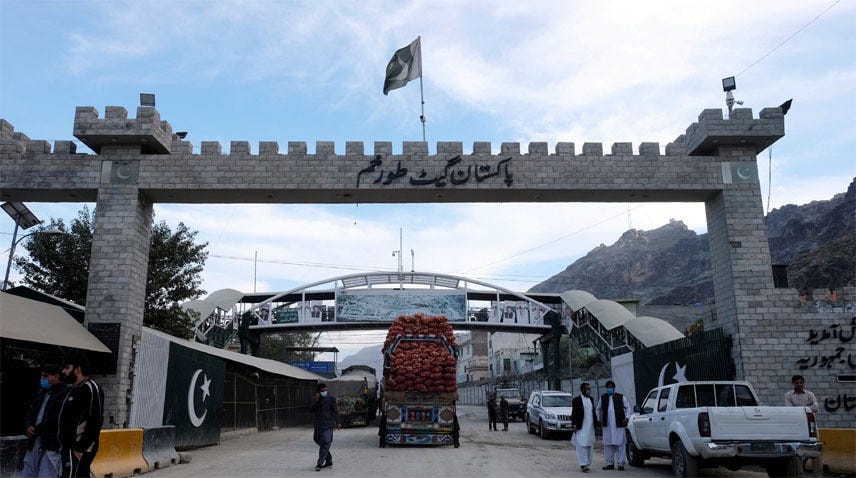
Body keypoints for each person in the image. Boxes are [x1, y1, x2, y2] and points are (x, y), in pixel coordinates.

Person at [57, 353, 104, 477]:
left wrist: (81, 447)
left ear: (77, 369)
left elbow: (96, 420)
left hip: (79, 448)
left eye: (67, 368)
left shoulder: (91, 388)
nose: (64, 371)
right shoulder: (73, 389)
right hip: (68, 446)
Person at [22, 364, 71, 477]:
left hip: (51, 443)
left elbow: (56, 417)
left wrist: (37, 429)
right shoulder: (41, 392)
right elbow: (31, 411)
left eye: (45, 376)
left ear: (56, 377)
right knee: (28, 472)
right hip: (35, 440)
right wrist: (28, 426)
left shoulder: (64, 393)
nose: (42, 379)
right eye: (42, 376)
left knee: (46, 473)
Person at [785, 374, 822, 477]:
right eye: (797, 383)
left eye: (801, 382)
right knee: (798, 451)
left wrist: (799, 409)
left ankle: (818, 475)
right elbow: (790, 411)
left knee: (815, 451)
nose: (799, 384)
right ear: (793, 383)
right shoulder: (788, 395)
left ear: (803, 383)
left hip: (811, 426)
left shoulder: (810, 394)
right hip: (797, 427)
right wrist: (807, 408)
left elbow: (816, 407)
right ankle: (800, 475)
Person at [597, 380, 631, 471]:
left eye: (611, 387)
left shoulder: (620, 397)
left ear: (614, 388)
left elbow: (628, 408)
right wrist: (598, 419)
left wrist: (627, 417)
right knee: (608, 445)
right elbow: (598, 409)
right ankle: (610, 464)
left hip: (619, 425)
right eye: (608, 387)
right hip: (607, 426)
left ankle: (621, 464)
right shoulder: (603, 398)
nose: (609, 389)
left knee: (620, 444)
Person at [310, 383, 340, 472]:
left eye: (325, 390)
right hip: (318, 425)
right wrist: (317, 400)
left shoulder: (331, 399)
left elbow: (335, 411)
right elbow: (311, 409)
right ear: (318, 392)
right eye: (322, 391)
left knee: (326, 442)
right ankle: (329, 461)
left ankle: (319, 464)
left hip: (328, 425)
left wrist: (338, 423)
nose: (324, 392)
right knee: (317, 440)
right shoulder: (316, 399)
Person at [570, 382, 598, 473]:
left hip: (590, 427)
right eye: (587, 389)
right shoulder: (576, 400)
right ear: (582, 390)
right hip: (581, 427)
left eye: (589, 389)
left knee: (589, 445)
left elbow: (593, 412)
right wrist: (574, 424)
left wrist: (596, 423)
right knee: (581, 445)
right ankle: (583, 465)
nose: (589, 390)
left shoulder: (591, 399)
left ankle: (587, 463)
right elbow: (574, 413)